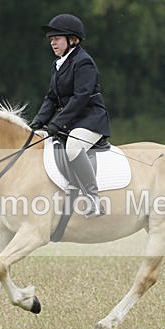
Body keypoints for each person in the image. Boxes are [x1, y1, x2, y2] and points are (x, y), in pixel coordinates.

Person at [29, 13, 111, 217]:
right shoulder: (58, 63)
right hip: (71, 121)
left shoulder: (84, 62)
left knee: (73, 147)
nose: (53, 43)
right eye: (51, 39)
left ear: (72, 39)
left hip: (90, 120)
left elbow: (81, 97)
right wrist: (36, 125)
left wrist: (56, 123)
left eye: (57, 38)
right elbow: (51, 98)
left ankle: (93, 197)